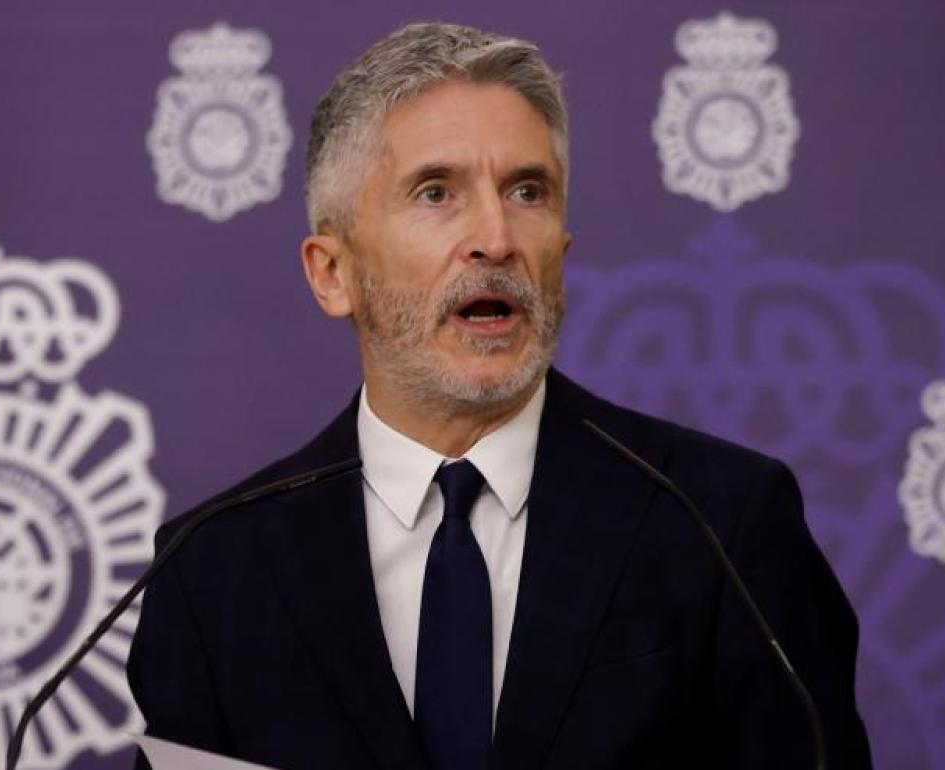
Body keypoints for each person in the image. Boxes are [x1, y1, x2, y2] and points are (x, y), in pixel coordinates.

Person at [126, 22, 873, 770]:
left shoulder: (720, 523)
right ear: (332, 273)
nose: (496, 236)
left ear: (562, 252)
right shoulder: (213, 572)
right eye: (436, 192)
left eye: (527, 192)